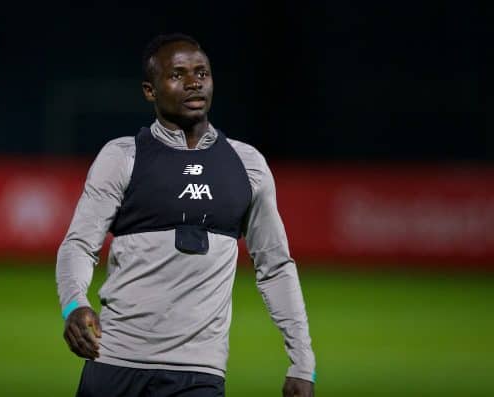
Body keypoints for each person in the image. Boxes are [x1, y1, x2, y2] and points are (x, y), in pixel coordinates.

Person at [56, 33, 315, 397]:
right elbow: (78, 245)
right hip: (114, 365)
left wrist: (302, 362)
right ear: (150, 90)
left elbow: (275, 267)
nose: (194, 82)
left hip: (198, 374)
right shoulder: (122, 157)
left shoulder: (247, 165)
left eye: (202, 73)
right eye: (178, 74)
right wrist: (74, 304)